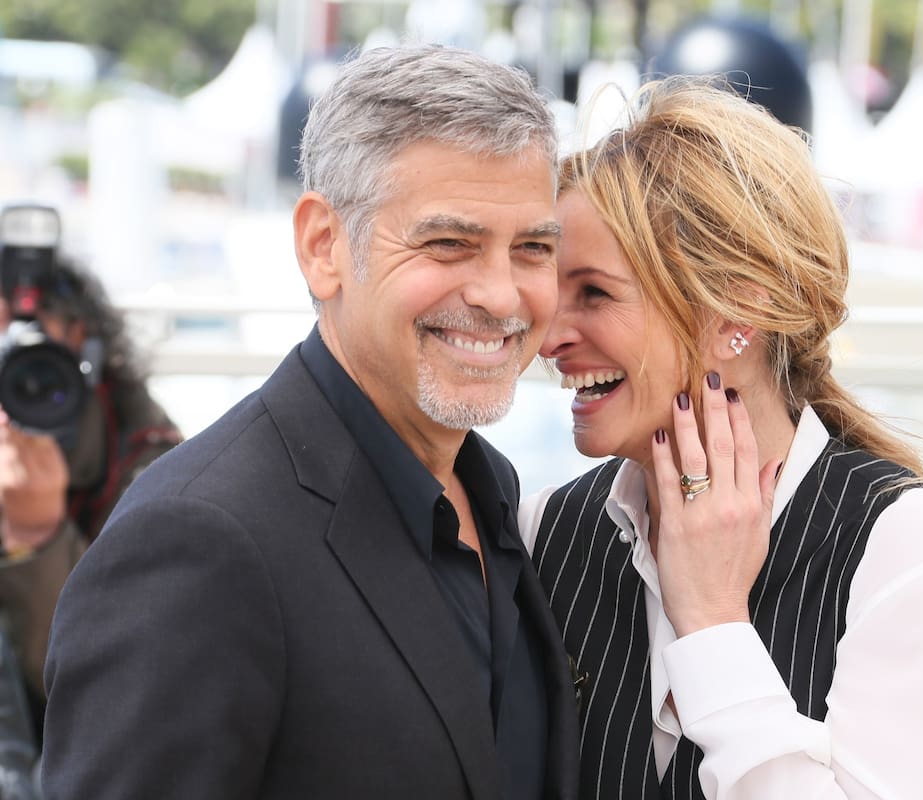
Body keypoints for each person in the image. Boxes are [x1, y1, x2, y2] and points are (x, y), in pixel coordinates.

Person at [42, 44, 580, 799]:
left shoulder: (492, 493)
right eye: (448, 243)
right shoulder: (196, 542)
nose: (500, 293)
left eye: (532, 248)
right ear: (323, 247)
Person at [519, 77, 923, 799]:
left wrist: (713, 623)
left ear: (736, 311)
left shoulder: (911, 549)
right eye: (555, 294)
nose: (551, 336)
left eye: (594, 293)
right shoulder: (545, 532)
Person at [0, 251, 181, 796]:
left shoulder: (149, 460)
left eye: (29, 353)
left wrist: (38, 537)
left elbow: (123, 691)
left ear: (85, 346)